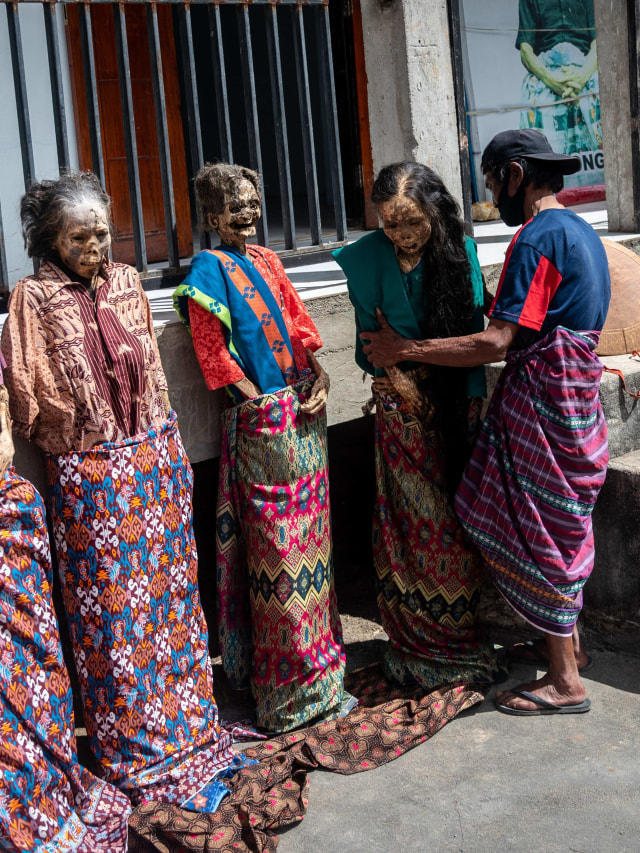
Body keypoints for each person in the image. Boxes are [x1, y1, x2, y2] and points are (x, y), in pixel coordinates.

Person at [1, 172, 247, 809]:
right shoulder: (30, 299)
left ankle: (189, 729)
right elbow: (29, 399)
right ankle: (133, 748)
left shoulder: (131, 283)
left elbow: (155, 377)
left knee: (171, 608)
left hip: (153, 467)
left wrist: (158, 448)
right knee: (112, 622)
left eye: (102, 232)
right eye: (78, 236)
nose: (94, 246)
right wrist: (89, 441)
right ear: (48, 239)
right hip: (89, 481)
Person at [359, 130, 610, 715]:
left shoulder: (535, 238)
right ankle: (569, 648)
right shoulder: (581, 231)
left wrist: (405, 349)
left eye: (495, 182)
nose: (492, 194)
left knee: (539, 530)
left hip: (545, 402)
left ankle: (566, 682)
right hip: (577, 398)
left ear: (517, 176)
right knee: (560, 525)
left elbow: (497, 341)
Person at [173, 163, 354, 733]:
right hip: (263, 427)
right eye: (236, 206)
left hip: (303, 416)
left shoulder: (269, 261)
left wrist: (320, 376)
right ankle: (286, 692)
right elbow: (214, 354)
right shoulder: (208, 266)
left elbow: (299, 326)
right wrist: (256, 406)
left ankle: (323, 679)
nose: (248, 214)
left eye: (253, 202)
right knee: (278, 556)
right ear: (211, 217)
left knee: (314, 553)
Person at [333, 162, 502, 689]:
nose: (403, 236)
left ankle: (459, 632)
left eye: (413, 223)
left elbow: (470, 339)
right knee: (413, 527)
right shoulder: (362, 261)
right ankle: (419, 639)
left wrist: (411, 358)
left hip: (460, 403)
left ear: (435, 213)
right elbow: (370, 348)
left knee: (458, 522)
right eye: (391, 225)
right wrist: (401, 376)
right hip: (399, 411)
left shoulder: (461, 252)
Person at [0, 357, 132, 851]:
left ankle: (43, 788)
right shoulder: (33, 299)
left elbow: (9, 426)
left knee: (35, 668)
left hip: (10, 519)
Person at [517, 0, 602, 184]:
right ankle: (548, 187)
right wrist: (552, 80)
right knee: (532, 95)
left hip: (584, 69)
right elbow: (526, 51)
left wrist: (581, 78)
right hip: (547, 72)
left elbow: (599, 42)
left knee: (602, 95)